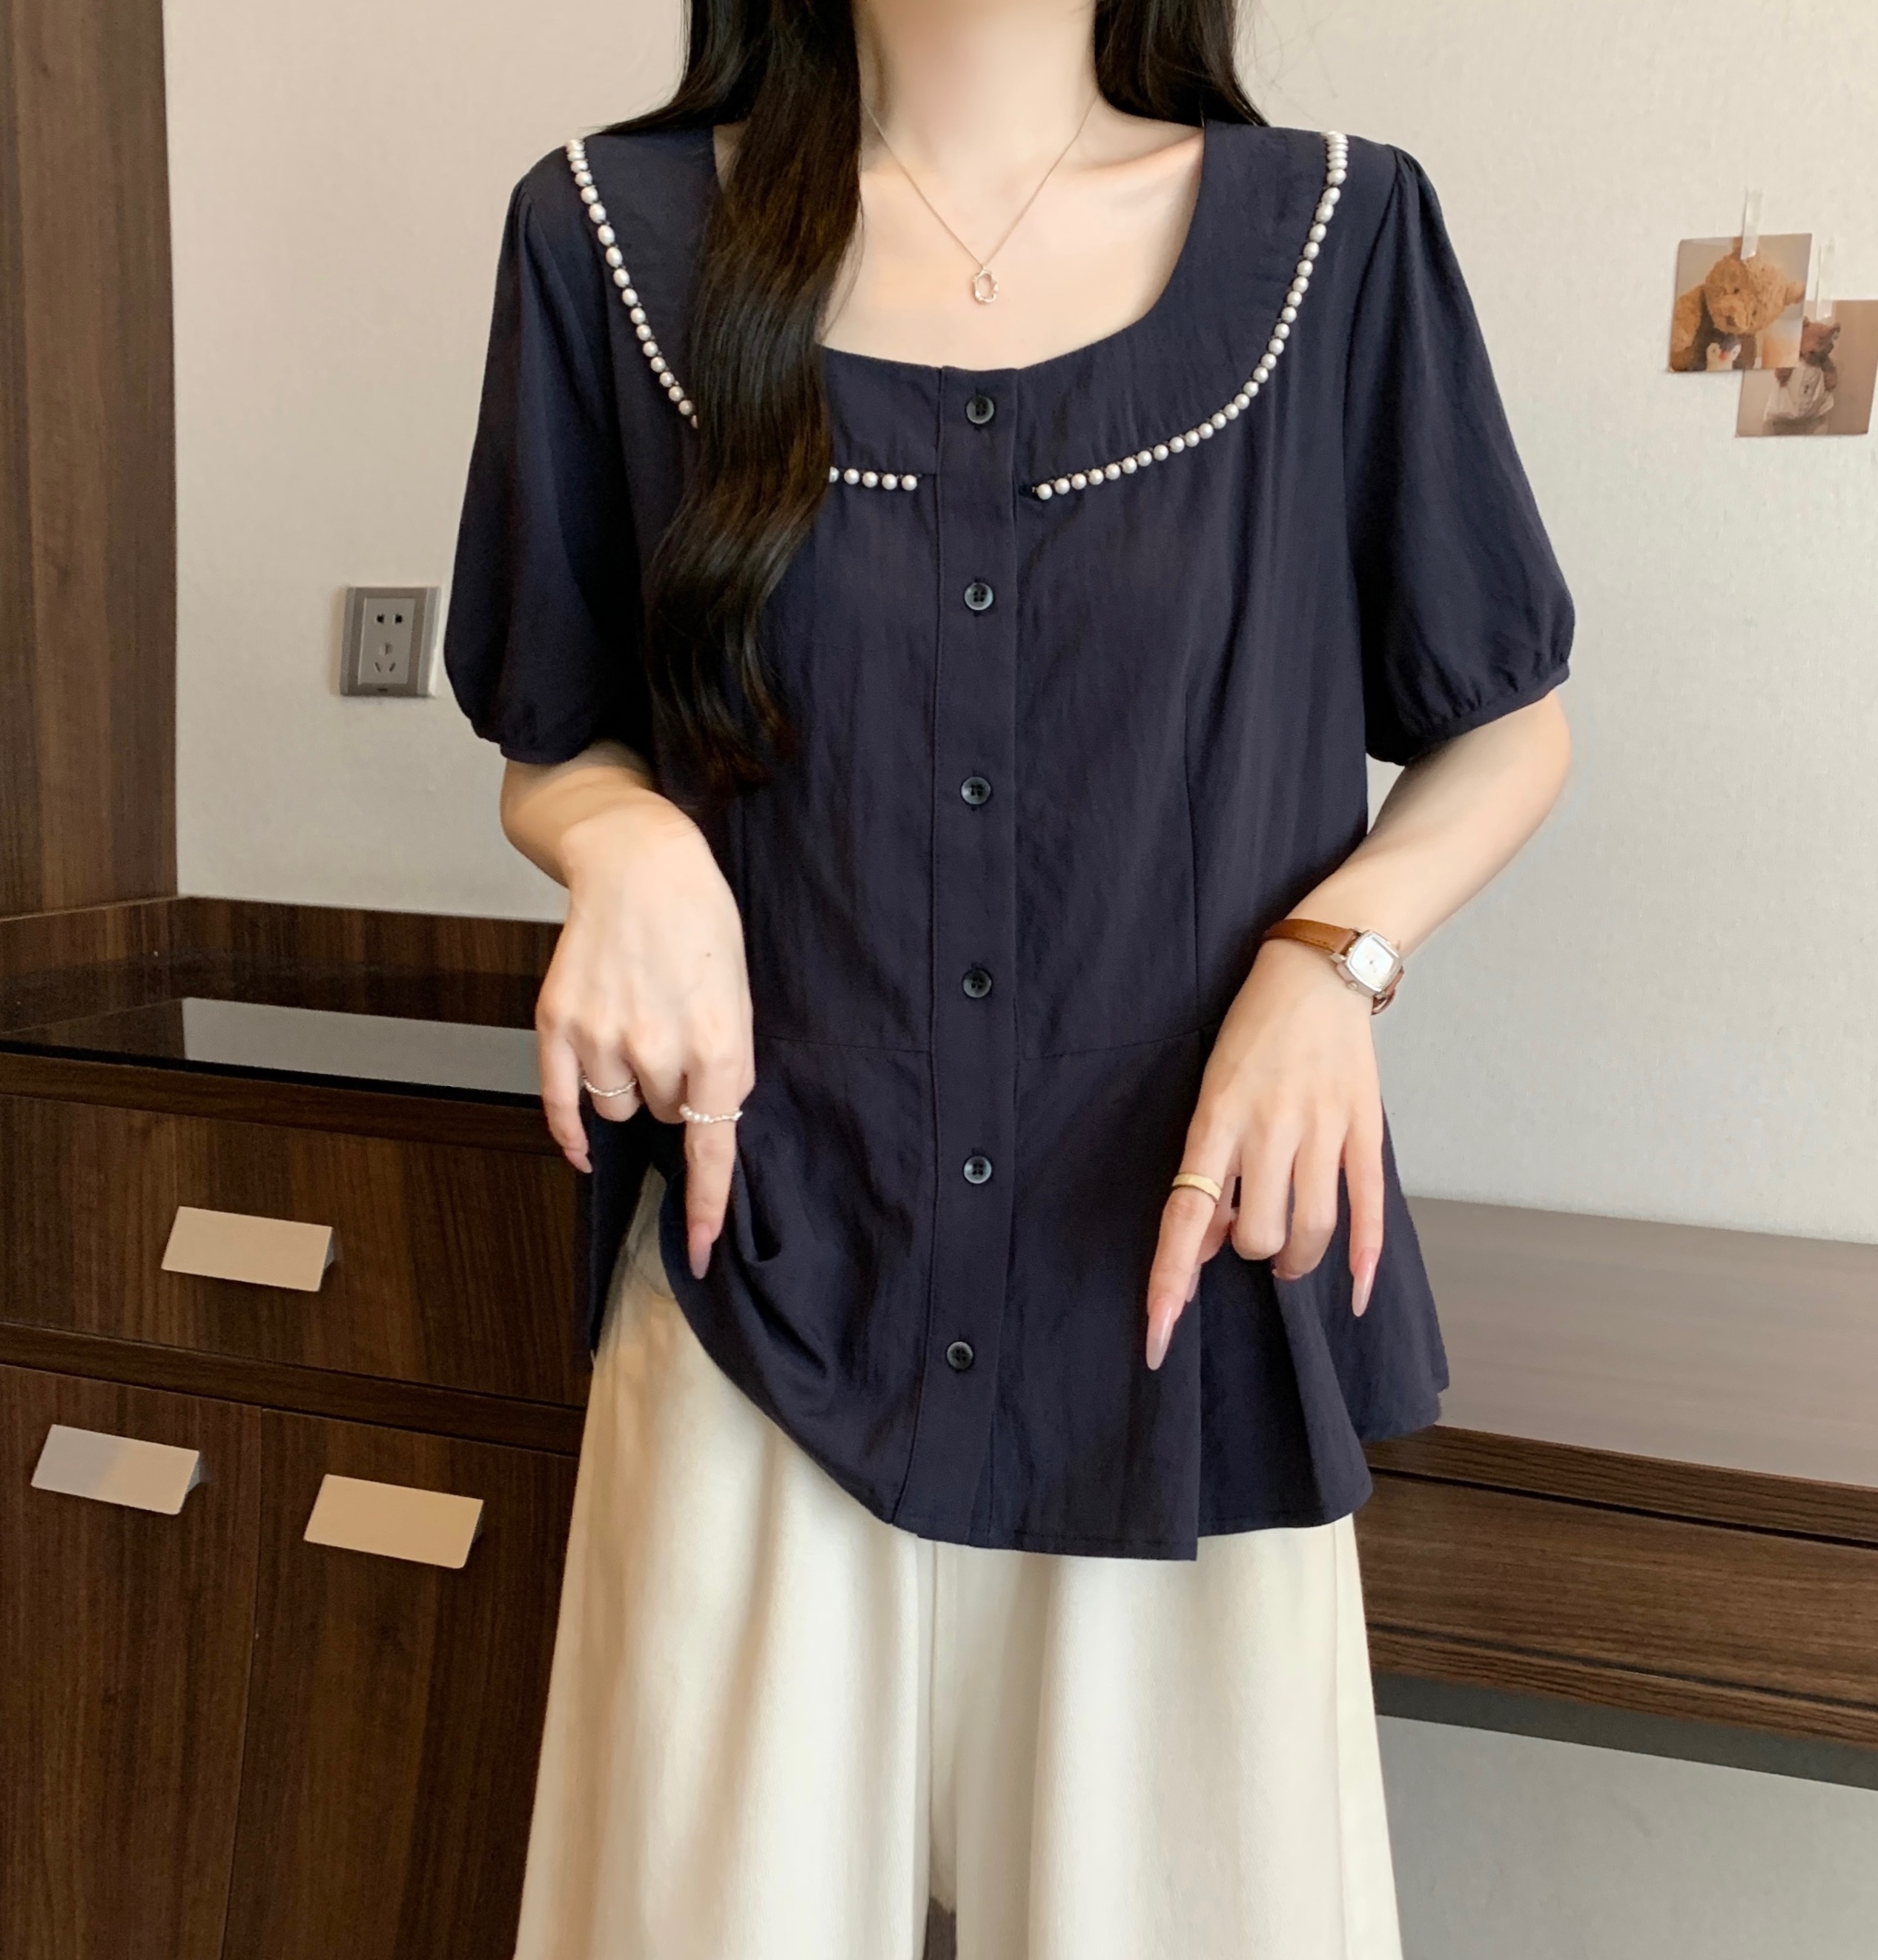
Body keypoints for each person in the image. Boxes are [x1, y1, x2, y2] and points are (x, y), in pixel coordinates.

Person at [443, 1, 1576, 1954]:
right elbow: (559, 734)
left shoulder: (1339, 237)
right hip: (759, 1289)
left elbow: (1509, 724)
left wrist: (1336, 962)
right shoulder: (605, 240)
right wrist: (619, 841)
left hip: (1181, 1300)